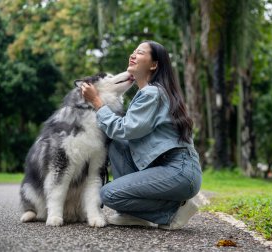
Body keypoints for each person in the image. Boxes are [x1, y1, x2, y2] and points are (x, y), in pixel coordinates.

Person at [81, 40, 202, 230]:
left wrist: (97, 102)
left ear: (154, 65)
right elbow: (123, 136)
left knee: (108, 194)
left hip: (178, 170)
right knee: (117, 144)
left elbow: (124, 129)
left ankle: (173, 211)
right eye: (133, 52)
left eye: (139, 52)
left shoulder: (152, 93)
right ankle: (130, 214)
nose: (132, 55)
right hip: (166, 167)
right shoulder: (150, 93)